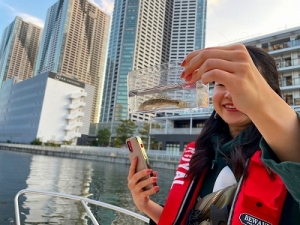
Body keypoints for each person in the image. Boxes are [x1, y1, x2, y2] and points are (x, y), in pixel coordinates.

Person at [127, 44, 300, 224]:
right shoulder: (203, 151)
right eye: (221, 84)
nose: (229, 93)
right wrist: (144, 204)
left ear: (270, 94)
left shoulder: (286, 157)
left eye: (241, 84)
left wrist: (263, 107)